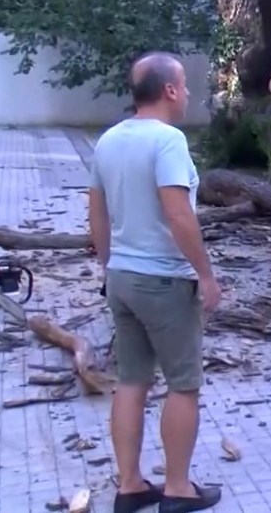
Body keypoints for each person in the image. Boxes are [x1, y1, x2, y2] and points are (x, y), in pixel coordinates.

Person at [89, 52, 222, 513]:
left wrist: (110, 265)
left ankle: (129, 486)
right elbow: (178, 212)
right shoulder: (168, 141)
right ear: (169, 90)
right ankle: (179, 489)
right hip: (164, 281)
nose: (188, 93)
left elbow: (97, 214)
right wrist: (205, 274)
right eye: (184, 85)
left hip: (122, 277)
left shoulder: (109, 140)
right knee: (183, 384)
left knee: (131, 381)